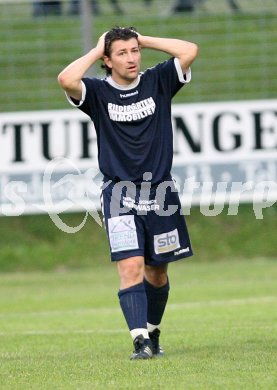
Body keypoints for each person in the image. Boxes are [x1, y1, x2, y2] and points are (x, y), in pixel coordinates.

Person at [57, 27, 198, 359]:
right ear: (107, 60)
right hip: (119, 194)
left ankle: (152, 331)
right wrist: (96, 49)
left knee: (157, 272)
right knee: (130, 265)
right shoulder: (96, 92)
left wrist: (143, 39)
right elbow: (66, 79)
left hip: (161, 194)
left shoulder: (158, 80)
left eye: (134, 51)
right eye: (122, 53)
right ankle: (140, 341)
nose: (132, 58)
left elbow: (189, 50)